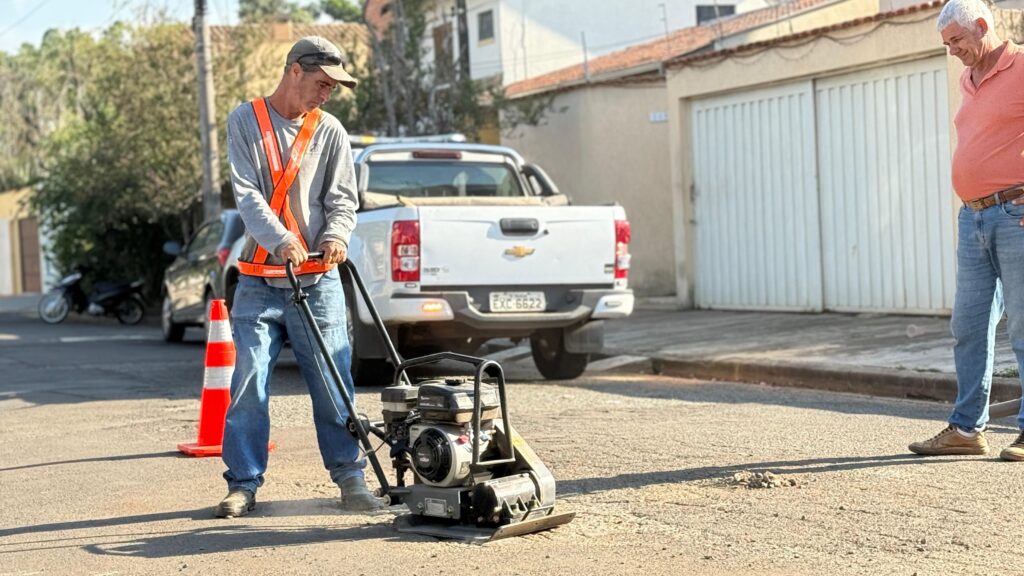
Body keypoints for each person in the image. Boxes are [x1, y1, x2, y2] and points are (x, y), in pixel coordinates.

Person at [214, 36, 384, 518]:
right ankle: (243, 484)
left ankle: (351, 478)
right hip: (258, 281)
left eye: (333, 87)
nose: (327, 94)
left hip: (316, 280)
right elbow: (247, 195)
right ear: (294, 71)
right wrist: (280, 238)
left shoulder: (330, 130)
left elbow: (342, 200)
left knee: (334, 382)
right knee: (249, 384)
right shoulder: (245, 120)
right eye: (322, 83)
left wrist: (337, 236)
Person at [909, 0, 1024, 460]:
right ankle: (966, 429)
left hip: (1015, 217)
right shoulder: (968, 79)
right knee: (968, 325)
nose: (951, 49)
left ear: (981, 25)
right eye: (946, 43)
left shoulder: (1021, 67)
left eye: (956, 39)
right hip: (973, 217)